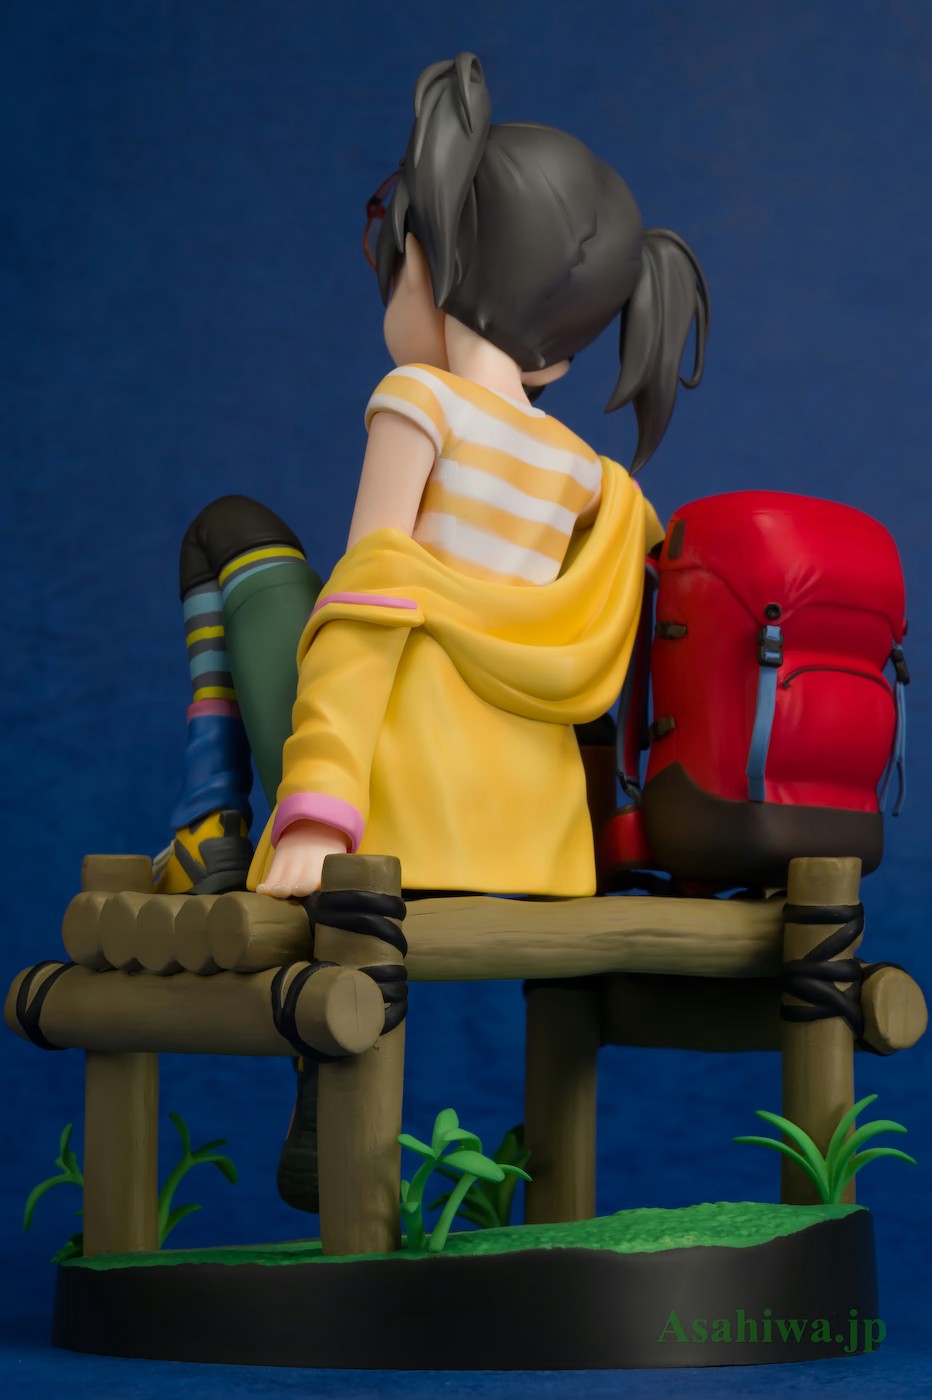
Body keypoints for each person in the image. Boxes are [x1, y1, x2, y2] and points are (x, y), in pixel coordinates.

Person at [152, 52, 710, 1205]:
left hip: (391, 798)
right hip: (532, 838)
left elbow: (369, 601)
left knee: (229, 528)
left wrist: (320, 809)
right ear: (559, 352)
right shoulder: (599, 484)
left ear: (428, 263)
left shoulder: (420, 401)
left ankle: (212, 821)